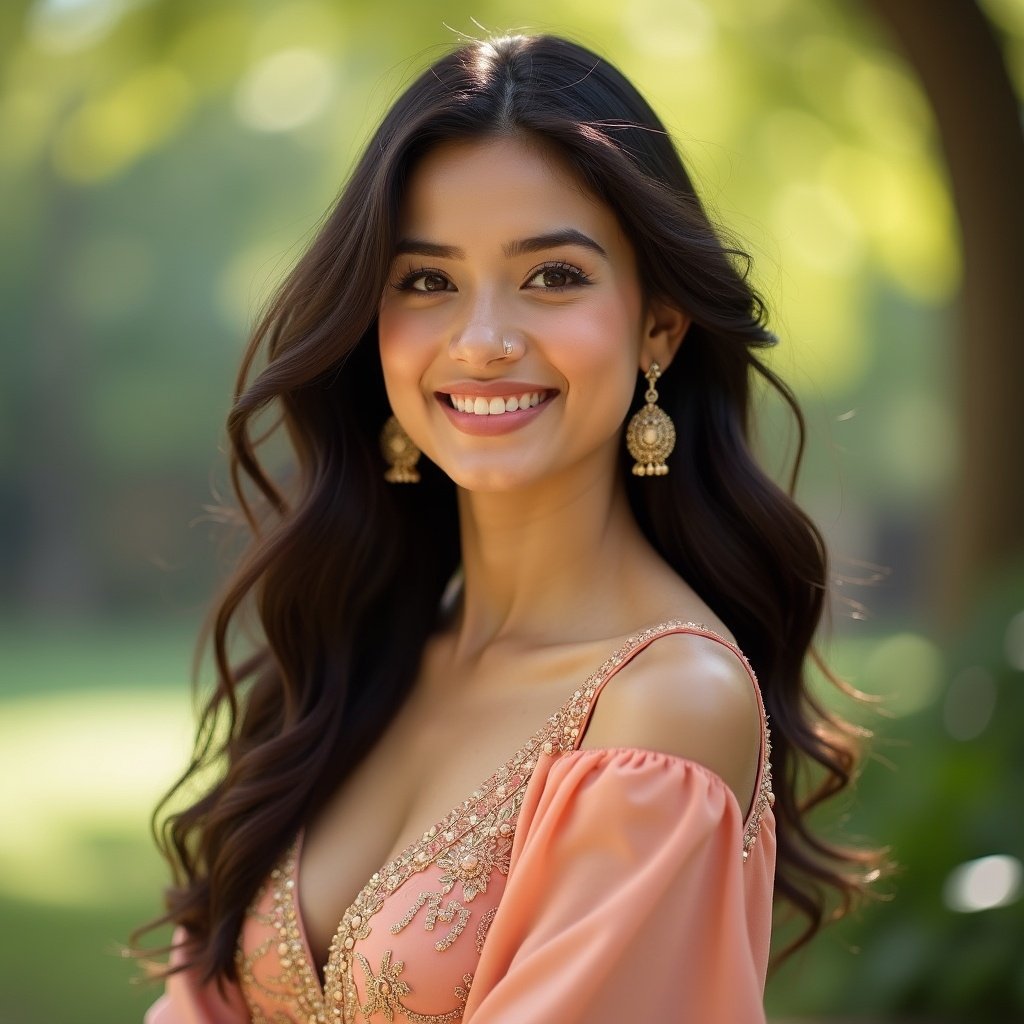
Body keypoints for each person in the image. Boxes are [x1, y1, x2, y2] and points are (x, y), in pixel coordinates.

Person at [136, 32, 879, 1023]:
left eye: (553, 277)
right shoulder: (358, 654)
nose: (482, 341)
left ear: (657, 323)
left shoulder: (662, 709)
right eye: (426, 281)